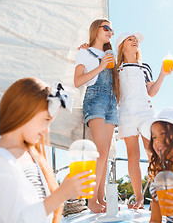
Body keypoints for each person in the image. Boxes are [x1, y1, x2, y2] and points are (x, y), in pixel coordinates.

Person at [0, 77, 96, 223]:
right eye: (46, 120)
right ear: (24, 112)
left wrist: (67, 188)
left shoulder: (31, 155)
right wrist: (62, 193)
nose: (47, 130)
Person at [113, 32, 170, 209]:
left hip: (145, 111)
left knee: (153, 153)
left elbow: (151, 92)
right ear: (122, 45)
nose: (135, 41)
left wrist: (163, 74)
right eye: (130, 39)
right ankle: (139, 197)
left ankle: (159, 196)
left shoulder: (144, 66)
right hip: (126, 113)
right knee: (133, 156)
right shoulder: (114, 69)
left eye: (136, 40)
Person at [74, 19, 118, 213]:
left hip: (111, 102)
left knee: (106, 152)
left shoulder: (111, 55)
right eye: (106, 28)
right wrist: (101, 66)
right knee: (100, 149)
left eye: (112, 29)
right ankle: (91, 200)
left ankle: (100, 198)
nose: (110, 31)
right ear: (95, 29)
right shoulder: (84, 51)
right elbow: (78, 81)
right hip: (95, 99)